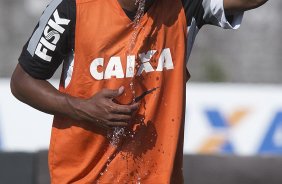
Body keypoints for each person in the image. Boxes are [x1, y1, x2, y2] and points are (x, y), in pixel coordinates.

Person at [11, 0, 267, 183]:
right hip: (82, 176)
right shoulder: (70, 8)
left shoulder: (184, 5)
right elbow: (23, 81)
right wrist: (83, 108)